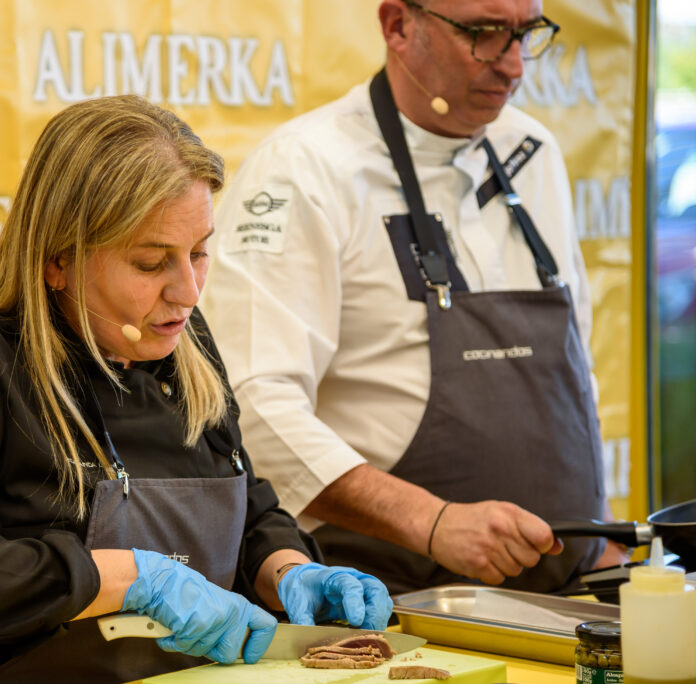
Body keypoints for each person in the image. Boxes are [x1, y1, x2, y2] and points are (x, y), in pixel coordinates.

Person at [0, 95, 392, 684]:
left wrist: (286, 570)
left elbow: (243, 503)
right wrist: (131, 579)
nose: (187, 291)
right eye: (150, 262)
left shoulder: (180, 343)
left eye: (200, 252)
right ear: (58, 258)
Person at [202, 0, 629, 595]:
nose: (514, 67)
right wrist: (430, 521)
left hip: (566, 598)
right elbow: (253, 405)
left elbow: (571, 371)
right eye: (483, 35)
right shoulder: (303, 170)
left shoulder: (535, 152)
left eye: (525, 34)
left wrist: (600, 536)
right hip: (390, 604)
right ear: (398, 26)